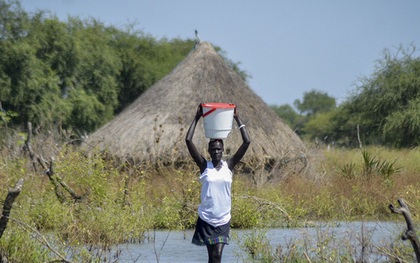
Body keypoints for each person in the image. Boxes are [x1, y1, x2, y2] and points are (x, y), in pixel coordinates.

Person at [185, 104, 250, 263]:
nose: (216, 152)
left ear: (223, 150)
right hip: (207, 218)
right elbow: (188, 140)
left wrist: (236, 118)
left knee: (217, 255)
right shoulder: (204, 166)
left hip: (223, 219)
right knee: (211, 258)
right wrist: (197, 117)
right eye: (213, 150)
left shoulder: (229, 165)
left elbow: (247, 142)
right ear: (209, 151)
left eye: (218, 150)